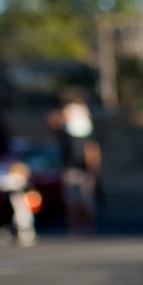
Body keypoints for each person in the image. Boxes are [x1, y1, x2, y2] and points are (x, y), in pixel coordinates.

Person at [52, 91, 102, 234]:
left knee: (86, 200)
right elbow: (52, 121)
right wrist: (64, 115)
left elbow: (93, 150)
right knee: (72, 201)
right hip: (70, 169)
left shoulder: (87, 132)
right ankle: (74, 227)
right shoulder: (65, 131)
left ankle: (89, 226)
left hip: (84, 170)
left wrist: (94, 169)